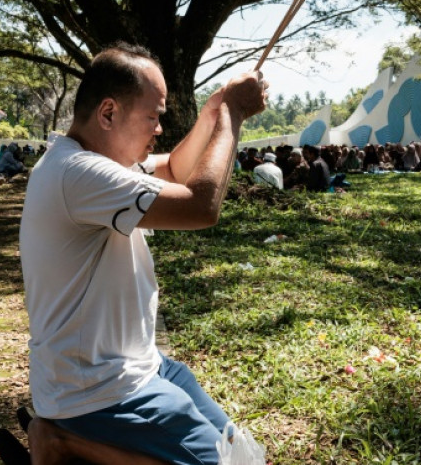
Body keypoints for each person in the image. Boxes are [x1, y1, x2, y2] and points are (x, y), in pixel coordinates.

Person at [17, 42, 268, 464]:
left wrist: (211, 117)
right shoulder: (78, 173)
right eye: (153, 116)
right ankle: (61, 441)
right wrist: (234, 114)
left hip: (140, 364)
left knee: (241, 453)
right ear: (108, 113)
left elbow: (174, 171)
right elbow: (199, 205)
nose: (159, 128)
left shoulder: (91, 160)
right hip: (97, 391)